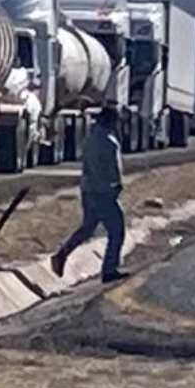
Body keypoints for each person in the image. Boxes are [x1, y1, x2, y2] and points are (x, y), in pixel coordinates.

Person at [51, 106, 127, 284]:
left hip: (88, 189)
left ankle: (62, 254)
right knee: (117, 230)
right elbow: (114, 169)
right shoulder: (109, 141)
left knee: (88, 227)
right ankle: (109, 269)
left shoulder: (90, 139)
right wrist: (117, 185)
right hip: (104, 190)